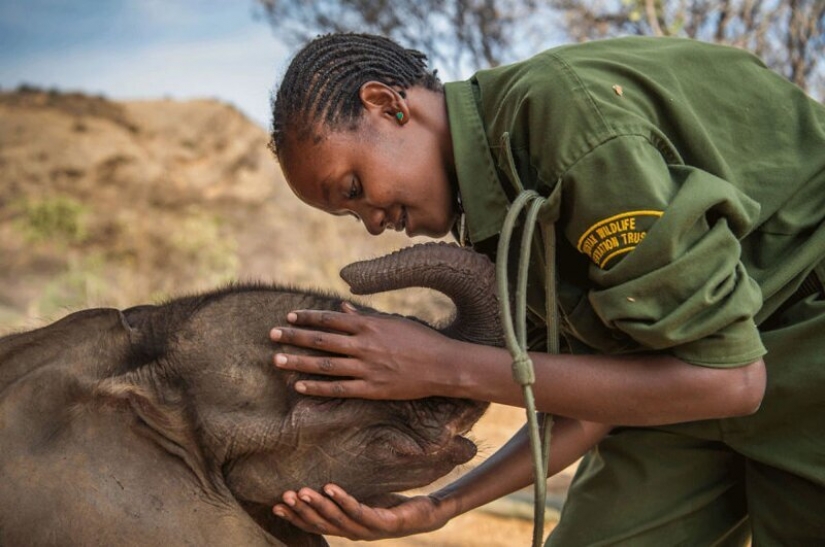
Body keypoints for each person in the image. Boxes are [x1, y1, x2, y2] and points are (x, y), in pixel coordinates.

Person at [266, 32, 825, 545]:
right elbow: (593, 396)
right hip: (688, 376)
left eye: (355, 187)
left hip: (802, 340)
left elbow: (731, 380)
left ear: (387, 106)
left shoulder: (562, 123)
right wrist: (440, 506)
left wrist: (442, 364)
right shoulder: (493, 215)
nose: (370, 221)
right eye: (349, 212)